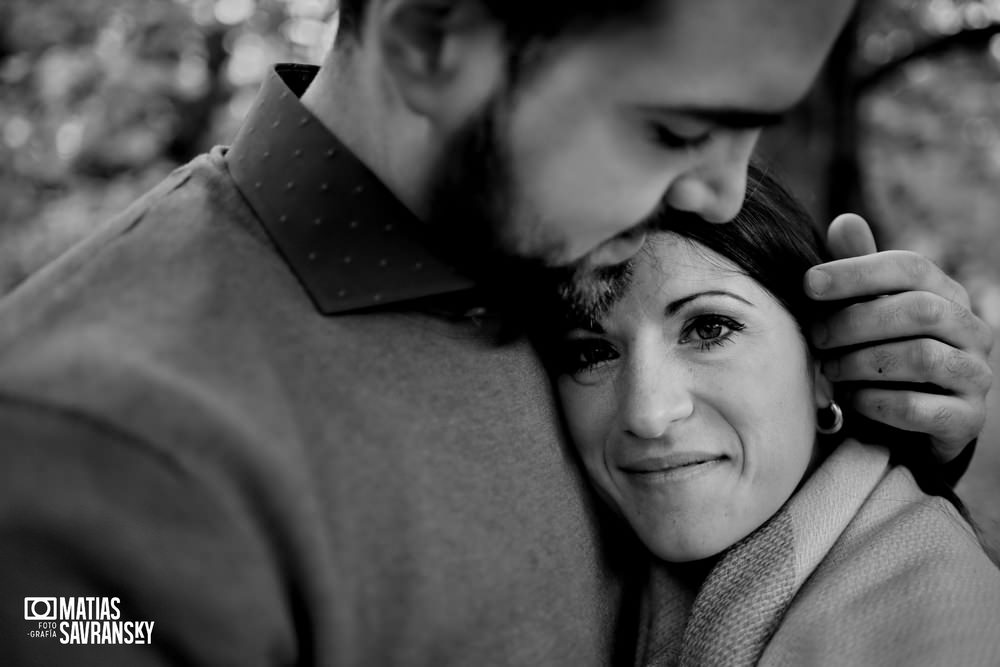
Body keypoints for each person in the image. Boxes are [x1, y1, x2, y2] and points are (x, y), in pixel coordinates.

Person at [0, 1, 992, 665]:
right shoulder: (98, 451)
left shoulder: (563, 245)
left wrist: (888, 442)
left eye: (754, 129)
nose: (723, 192)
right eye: (676, 128)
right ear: (432, 41)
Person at [551, 165, 1000, 666]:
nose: (648, 414)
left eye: (709, 328)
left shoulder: (948, 633)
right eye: (591, 353)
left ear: (825, 366)